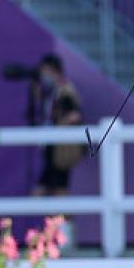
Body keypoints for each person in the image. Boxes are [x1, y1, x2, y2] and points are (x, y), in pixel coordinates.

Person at [30, 54, 84, 197]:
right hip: (53, 148)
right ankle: (60, 218)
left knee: (58, 190)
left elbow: (75, 116)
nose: (44, 76)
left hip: (61, 149)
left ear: (55, 71)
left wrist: (57, 130)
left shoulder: (66, 92)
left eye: (46, 72)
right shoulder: (54, 91)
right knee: (52, 189)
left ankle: (66, 219)